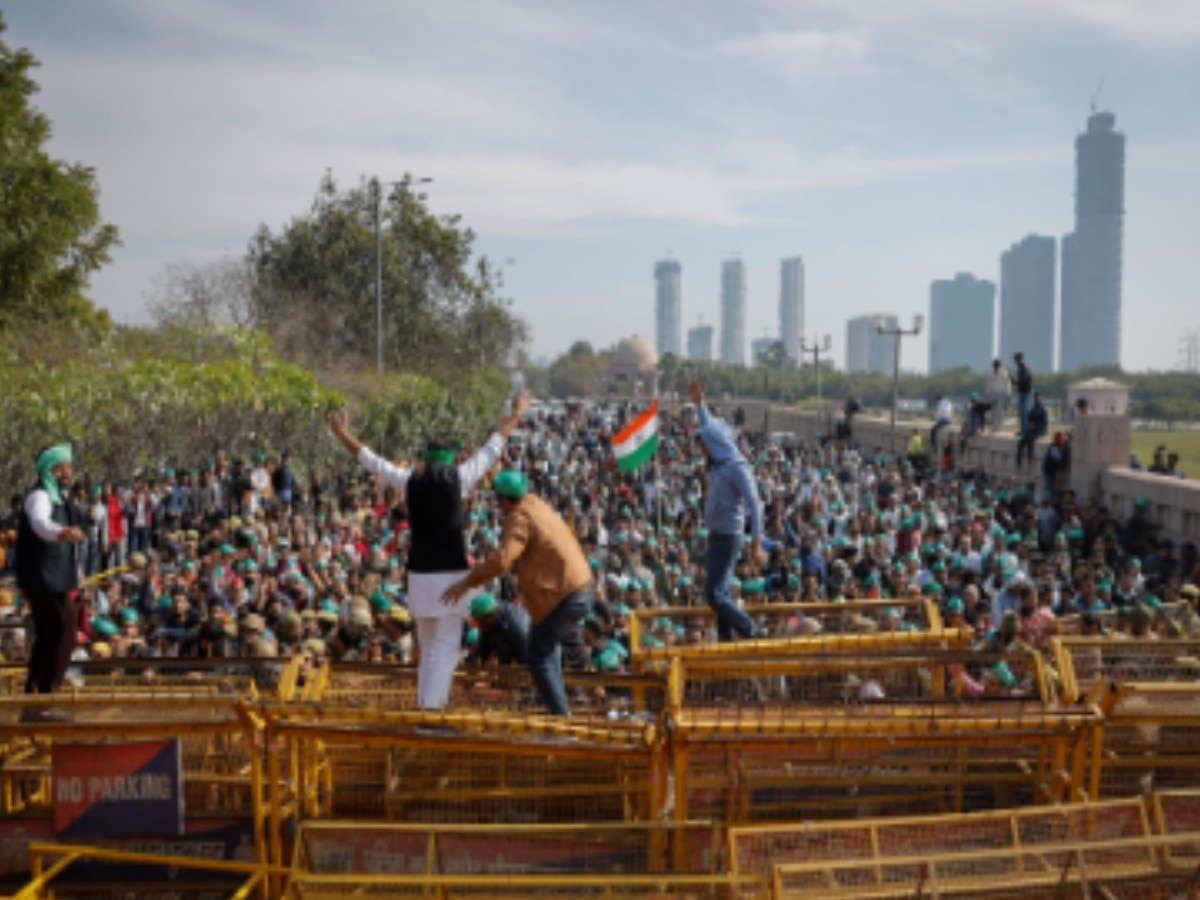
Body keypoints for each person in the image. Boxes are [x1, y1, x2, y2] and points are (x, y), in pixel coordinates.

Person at [328, 389, 530, 710]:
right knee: (446, 646)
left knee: (428, 645)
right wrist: (516, 414)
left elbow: (371, 461)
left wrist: (342, 433)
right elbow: (493, 448)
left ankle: (425, 706)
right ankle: (432, 713)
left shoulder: (411, 481)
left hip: (419, 576)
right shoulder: (460, 478)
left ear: (425, 460)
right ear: (451, 460)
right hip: (450, 575)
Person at [440, 469, 593, 716]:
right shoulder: (536, 504)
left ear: (503, 499)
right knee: (547, 648)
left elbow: (502, 560)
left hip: (564, 594)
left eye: (498, 500)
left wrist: (467, 582)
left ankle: (561, 718)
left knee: (537, 655)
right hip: (576, 589)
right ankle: (558, 710)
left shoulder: (520, 516)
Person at [687, 380, 765, 641]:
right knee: (720, 590)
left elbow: (755, 503)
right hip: (716, 535)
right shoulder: (719, 459)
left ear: (715, 445)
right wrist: (700, 404)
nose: (701, 448)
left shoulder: (736, 467)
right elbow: (709, 426)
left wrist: (757, 543)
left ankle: (749, 629)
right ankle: (725, 637)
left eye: (704, 444)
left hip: (729, 536)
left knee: (713, 594)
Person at [15, 444, 87, 721]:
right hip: (44, 578)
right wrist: (63, 532)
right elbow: (40, 525)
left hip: (54, 578)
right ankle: (43, 699)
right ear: (53, 469)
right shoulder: (39, 496)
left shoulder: (61, 498)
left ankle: (35, 700)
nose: (69, 471)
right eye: (65, 466)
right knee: (63, 631)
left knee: (51, 636)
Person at [468, 592, 529, 667]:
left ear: (491, 615)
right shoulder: (487, 624)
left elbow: (526, 662)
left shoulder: (516, 628)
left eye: (480, 622)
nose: (479, 625)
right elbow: (482, 652)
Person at [1017, 392, 1048, 468]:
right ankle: (1019, 462)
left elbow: (1045, 422)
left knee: (1030, 440)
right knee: (1022, 442)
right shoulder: (1033, 408)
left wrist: (1036, 425)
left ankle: (1030, 460)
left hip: (1040, 430)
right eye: (1036, 399)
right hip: (1032, 429)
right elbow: (1029, 417)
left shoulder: (1043, 409)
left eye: (1038, 399)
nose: (1037, 400)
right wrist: (1030, 423)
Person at [985, 359, 1012, 431]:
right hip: (993, 392)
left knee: (1000, 410)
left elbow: (1008, 383)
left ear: (1000, 366)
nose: (996, 367)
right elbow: (989, 384)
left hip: (1001, 393)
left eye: (997, 366)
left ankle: (999, 426)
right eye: (995, 366)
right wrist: (987, 393)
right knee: (993, 409)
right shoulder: (990, 373)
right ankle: (994, 425)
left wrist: (1008, 393)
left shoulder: (1004, 372)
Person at [1013, 352, 1033, 435]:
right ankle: (1023, 430)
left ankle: (1026, 430)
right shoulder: (1020, 368)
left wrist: (1016, 382)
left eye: (1016, 360)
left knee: (1025, 411)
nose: (1016, 362)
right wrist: (1016, 382)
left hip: (1027, 391)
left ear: (1020, 359)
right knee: (1021, 412)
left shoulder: (1025, 367)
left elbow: (1025, 380)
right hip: (1022, 391)